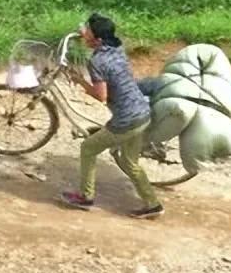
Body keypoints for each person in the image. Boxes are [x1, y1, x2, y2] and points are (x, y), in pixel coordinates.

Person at [59, 13, 164, 219]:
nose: (84, 31)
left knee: (88, 147)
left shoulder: (97, 61)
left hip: (125, 120)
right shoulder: (116, 48)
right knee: (129, 162)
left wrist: (79, 80)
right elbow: (97, 42)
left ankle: (85, 196)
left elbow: (101, 96)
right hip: (142, 112)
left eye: (87, 30)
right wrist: (85, 35)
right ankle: (153, 204)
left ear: (97, 39)